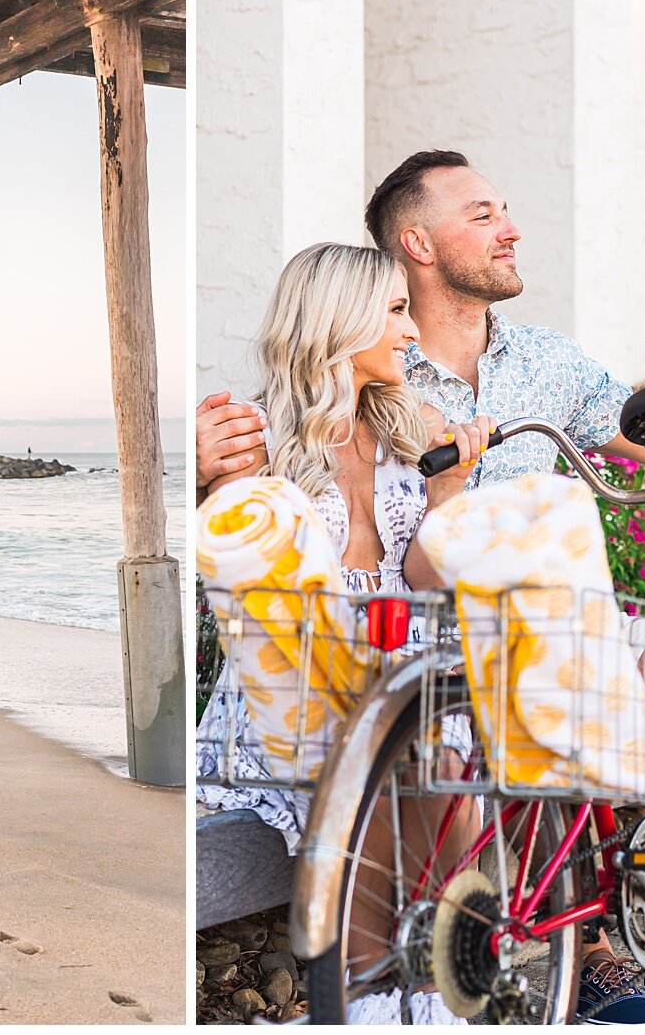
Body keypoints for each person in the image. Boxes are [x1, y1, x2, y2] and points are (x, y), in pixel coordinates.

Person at [196, 151, 645, 1022]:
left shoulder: (539, 361)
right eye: (484, 213)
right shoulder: (382, 383)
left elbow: (641, 433)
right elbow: (243, 524)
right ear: (416, 243)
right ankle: (580, 953)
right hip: (433, 640)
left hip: (536, 608)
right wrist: (203, 478)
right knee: (509, 705)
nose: (511, 227)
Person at [197, 241, 491, 1024]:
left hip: (396, 668)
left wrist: (449, 486)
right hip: (293, 684)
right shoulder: (256, 438)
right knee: (404, 754)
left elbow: (428, 578)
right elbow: (242, 587)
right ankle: (379, 998)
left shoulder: (409, 425)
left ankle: (420, 998)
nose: (411, 331)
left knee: (439, 746)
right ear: (340, 320)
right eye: (395, 311)